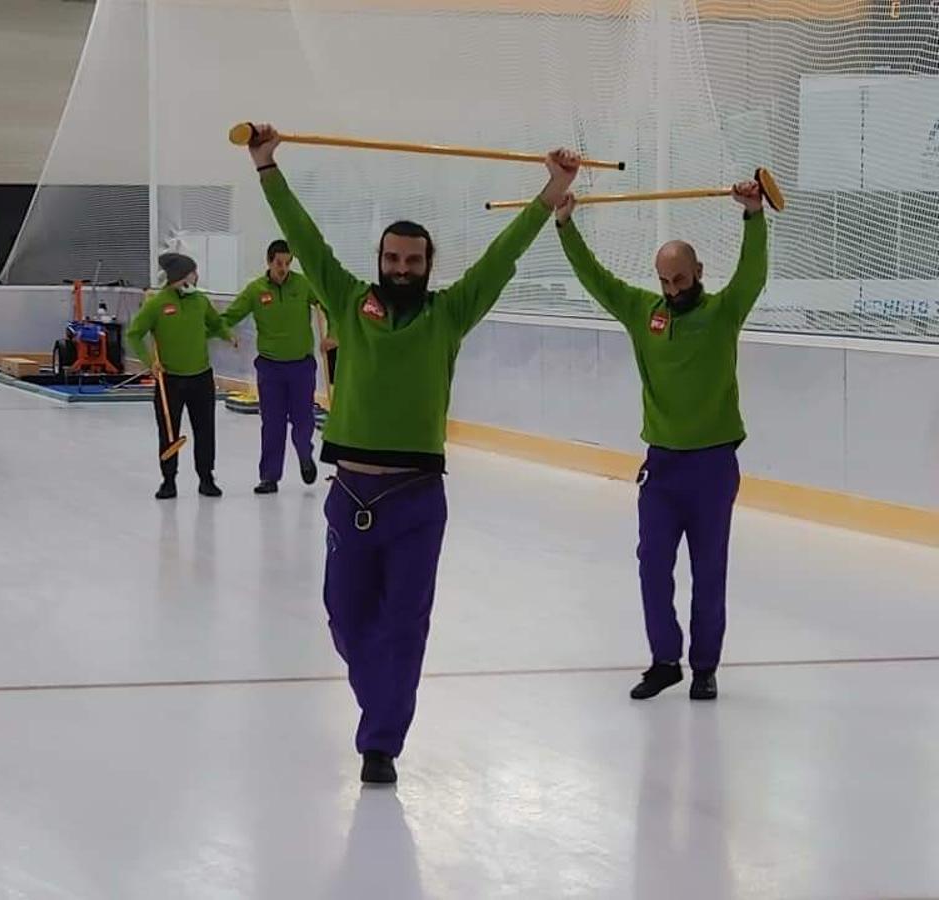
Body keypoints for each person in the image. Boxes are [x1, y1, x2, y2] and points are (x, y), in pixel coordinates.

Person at [246, 123, 580, 784]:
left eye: (413, 261)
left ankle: (381, 742)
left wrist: (553, 189)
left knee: (404, 624)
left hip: (417, 500)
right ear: (380, 262)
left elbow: (502, 256)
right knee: (345, 617)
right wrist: (265, 163)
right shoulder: (345, 301)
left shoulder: (449, 314)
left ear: (428, 266)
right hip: (350, 495)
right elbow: (305, 236)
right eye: (393, 260)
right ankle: (383, 701)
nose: (402, 269)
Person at [554, 178, 769, 702]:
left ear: (698, 273)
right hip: (662, 468)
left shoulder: (723, 312)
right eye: (664, 281)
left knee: (709, 569)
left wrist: (753, 215)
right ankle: (664, 659)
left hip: (714, 467)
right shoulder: (642, 313)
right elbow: (595, 280)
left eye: (679, 278)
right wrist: (564, 225)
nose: (672, 288)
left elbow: (753, 274)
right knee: (652, 563)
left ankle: (704, 667)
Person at [126, 252, 234, 500]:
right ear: (181, 277)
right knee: (169, 432)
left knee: (205, 430)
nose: (196, 277)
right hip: (170, 380)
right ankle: (168, 480)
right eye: (193, 273)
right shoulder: (156, 303)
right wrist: (149, 362)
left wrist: (228, 335)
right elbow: (134, 334)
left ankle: (206, 478)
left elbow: (216, 324)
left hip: (201, 377)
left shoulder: (200, 301)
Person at [222, 239, 322, 494]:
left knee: (303, 421)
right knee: (272, 423)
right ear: (269, 261)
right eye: (279, 263)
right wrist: (221, 332)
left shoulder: (302, 284)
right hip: (270, 368)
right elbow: (229, 317)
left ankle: (304, 454)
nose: (284, 268)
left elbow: (329, 306)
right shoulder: (255, 290)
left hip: (301, 366)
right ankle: (269, 476)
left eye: (288, 263)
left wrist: (333, 335)